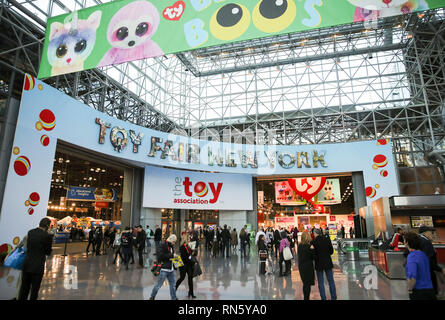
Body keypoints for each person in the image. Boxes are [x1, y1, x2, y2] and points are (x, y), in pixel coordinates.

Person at [18, 218, 53, 300]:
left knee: (24, 288)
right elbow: (48, 252)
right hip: (38, 266)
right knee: (34, 290)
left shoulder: (30, 232)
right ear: (47, 225)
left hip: (27, 263)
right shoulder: (47, 236)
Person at [404, 232, 437, 300]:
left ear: (407, 243)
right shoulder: (423, 255)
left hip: (419, 292)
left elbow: (412, 277)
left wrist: (410, 289)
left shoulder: (412, 256)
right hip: (430, 290)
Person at [149, 234, 178, 300]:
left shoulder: (171, 246)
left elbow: (169, 255)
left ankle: (174, 298)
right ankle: (152, 297)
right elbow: (160, 256)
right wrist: (172, 256)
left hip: (171, 269)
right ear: (170, 240)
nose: (174, 243)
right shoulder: (162, 245)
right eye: (174, 242)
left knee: (173, 285)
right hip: (164, 269)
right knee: (158, 285)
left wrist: (173, 258)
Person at [418, 226, 444, 296]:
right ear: (426, 233)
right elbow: (429, 259)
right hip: (428, 270)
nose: (433, 235)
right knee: (433, 291)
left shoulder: (418, 240)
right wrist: (439, 269)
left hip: (422, 271)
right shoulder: (426, 242)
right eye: (432, 233)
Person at [312, 228, 337, 300]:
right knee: (331, 281)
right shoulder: (327, 239)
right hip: (328, 262)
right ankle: (334, 297)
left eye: (314, 233)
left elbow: (314, 255)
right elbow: (331, 251)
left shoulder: (314, 242)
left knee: (320, 282)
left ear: (315, 233)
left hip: (319, 264)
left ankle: (323, 298)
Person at [175, 234, 196, 298]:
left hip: (188, 264)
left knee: (190, 277)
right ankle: (174, 289)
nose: (190, 240)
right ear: (185, 239)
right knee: (182, 277)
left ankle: (191, 293)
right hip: (183, 264)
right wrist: (192, 261)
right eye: (189, 239)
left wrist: (193, 251)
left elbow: (190, 254)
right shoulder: (182, 247)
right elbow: (185, 258)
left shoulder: (188, 246)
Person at [298, 231, 315, 300]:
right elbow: (313, 257)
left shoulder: (299, 246)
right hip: (308, 266)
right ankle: (306, 298)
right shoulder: (309, 246)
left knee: (305, 283)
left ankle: (306, 297)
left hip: (301, 266)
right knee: (308, 284)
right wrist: (312, 250)